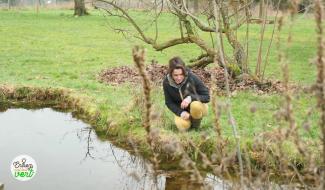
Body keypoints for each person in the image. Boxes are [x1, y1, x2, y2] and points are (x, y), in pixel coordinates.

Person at [163, 56, 210, 131]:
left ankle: (195, 128)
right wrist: (181, 112)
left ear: (184, 71)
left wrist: (190, 98)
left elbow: (207, 97)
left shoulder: (192, 78)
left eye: (181, 74)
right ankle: (189, 122)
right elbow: (169, 102)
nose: (179, 78)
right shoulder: (166, 82)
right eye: (175, 75)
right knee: (182, 126)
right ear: (170, 73)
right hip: (182, 110)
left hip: (199, 107)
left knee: (195, 106)